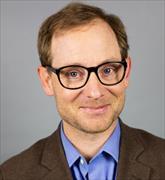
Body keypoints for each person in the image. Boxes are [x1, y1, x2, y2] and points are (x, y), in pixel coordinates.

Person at [0, 2, 164, 180]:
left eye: (107, 70)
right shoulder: (10, 174)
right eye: (73, 73)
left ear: (126, 72)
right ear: (47, 81)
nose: (95, 92)